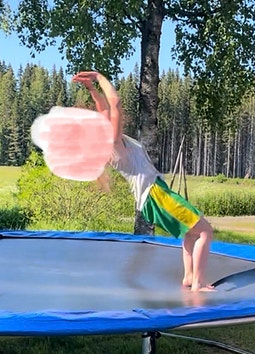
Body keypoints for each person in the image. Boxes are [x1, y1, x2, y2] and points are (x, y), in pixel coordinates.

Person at [72, 70, 215, 292]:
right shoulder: (112, 142)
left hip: (154, 193)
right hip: (155, 194)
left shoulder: (108, 142)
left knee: (190, 232)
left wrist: (91, 88)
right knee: (205, 231)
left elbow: (104, 109)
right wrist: (99, 78)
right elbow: (115, 104)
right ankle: (199, 283)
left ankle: (189, 277)